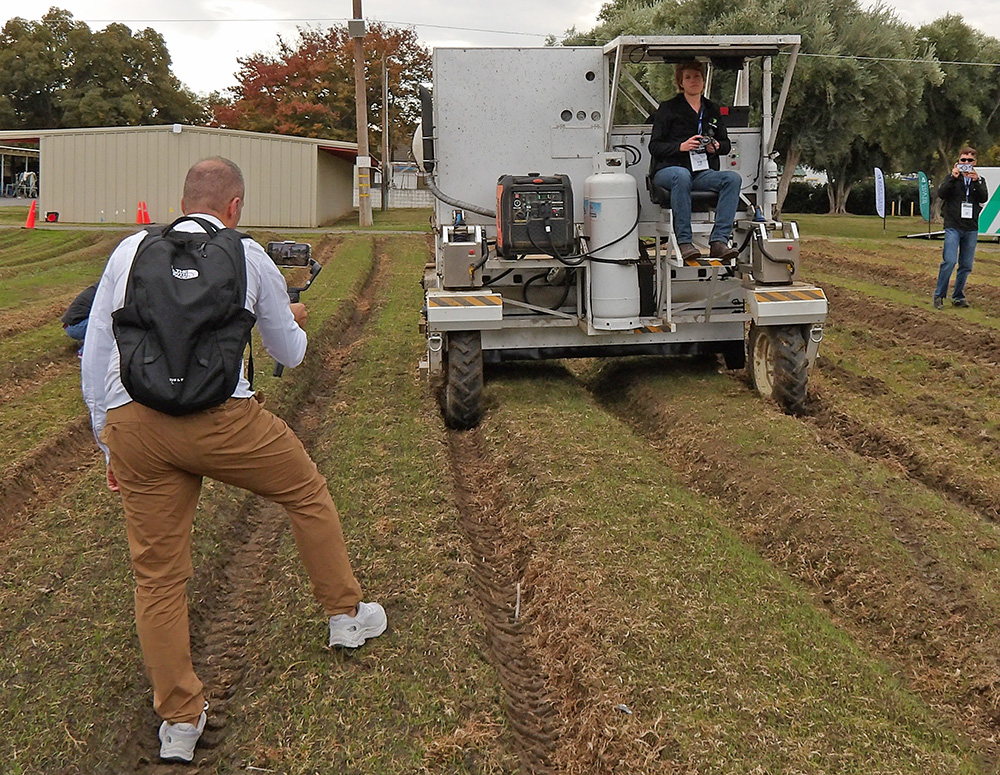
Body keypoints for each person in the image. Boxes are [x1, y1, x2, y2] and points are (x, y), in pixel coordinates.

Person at [81, 157, 386, 764]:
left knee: (158, 575)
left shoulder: (130, 252)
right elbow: (290, 355)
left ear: (183, 198)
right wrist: (294, 318)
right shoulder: (249, 257)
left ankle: (178, 721)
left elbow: (96, 346)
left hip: (136, 422)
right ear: (235, 206)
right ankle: (345, 614)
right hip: (223, 420)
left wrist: (104, 436)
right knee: (306, 495)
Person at [649, 60, 742, 261]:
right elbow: (654, 146)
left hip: (701, 172)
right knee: (681, 176)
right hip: (669, 170)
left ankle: (719, 241)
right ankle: (684, 242)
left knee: (732, 179)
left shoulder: (711, 109)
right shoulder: (668, 108)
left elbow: (725, 144)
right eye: (688, 77)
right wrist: (680, 147)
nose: (693, 81)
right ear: (680, 82)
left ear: (703, 79)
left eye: (697, 76)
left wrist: (716, 146)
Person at [934, 146, 989, 309]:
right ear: (958, 161)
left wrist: (976, 181)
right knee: (949, 261)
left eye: (970, 160)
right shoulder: (952, 178)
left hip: (971, 227)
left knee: (966, 265)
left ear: (975, 162)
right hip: (953, 226)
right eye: (963, 160)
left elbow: (983, 197)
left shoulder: (979, 180)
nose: (966, 163)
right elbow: (942, 194)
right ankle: (939, 295)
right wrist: (953, 176)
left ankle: (958, 296)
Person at [61, 282, 98, 353]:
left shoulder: (99, 288)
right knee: (105, 322)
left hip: (73, 324)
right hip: (75, 326)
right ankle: (84, 352)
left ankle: (87, 343)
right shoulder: (102, 293)